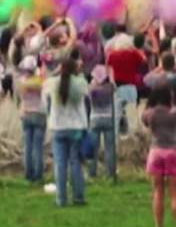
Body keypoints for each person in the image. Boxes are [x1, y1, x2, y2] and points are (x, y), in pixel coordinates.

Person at [141, 86, 176, 227]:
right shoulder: (173, 113)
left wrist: (150, 104)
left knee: (158, 192)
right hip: (172, 151)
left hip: (156, 152)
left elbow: (144, 118)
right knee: (174, 193)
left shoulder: (150, 114)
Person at [45, 56, 89, 207]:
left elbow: (45, 83)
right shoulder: (79, 83)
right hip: (75, 127)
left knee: (60, 164)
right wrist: (80, 73)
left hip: (58, 127)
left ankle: (61, 199)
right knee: (75, 162)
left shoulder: (53, 83)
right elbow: (86, 90)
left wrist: (55, 72)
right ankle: (78, 196)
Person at [106, 33, 146, 134]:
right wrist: (134, 49)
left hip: (117, 87)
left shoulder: (112, 55)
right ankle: (133, 137)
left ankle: (115, 136)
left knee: (116, 115)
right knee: (131, 114)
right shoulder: (133, 54)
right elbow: (144, 60)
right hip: (131, 86)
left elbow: (109, 71)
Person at [16, 55, 47, 182]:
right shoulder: (40, 81)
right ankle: (38, 174)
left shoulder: (21, 81)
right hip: (39, 113)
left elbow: (19, 96)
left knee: (27, 146)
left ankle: (28, 174)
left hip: (26, 113)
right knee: (38, 146)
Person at [88, 65, 116, 179]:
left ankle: (92, 172)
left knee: (93, 148)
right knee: (110, 148)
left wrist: (93, 82)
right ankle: (110, 173)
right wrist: (111, 75)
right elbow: (114, 85)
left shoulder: (92, 89)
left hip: (95, 118)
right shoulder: (110, 88)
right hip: (108, 118)